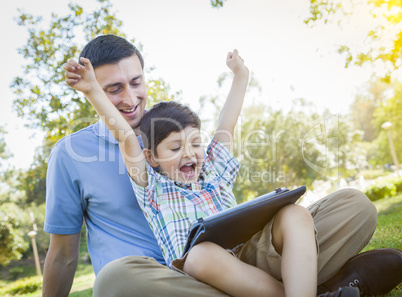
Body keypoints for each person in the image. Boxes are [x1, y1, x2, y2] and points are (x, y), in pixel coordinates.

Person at [43, 34, 402, 297]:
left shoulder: (206, 162)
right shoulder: (148, 179)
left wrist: (240, 76)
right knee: (120, 278)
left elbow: (225, 128)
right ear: (151, 156)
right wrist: (91, 91)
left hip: (246, 261)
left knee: (347, 206)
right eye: (113, 89)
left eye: (136, 82)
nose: (130, 97)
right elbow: (123, 137)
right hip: (175, 283)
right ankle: (325, 290)